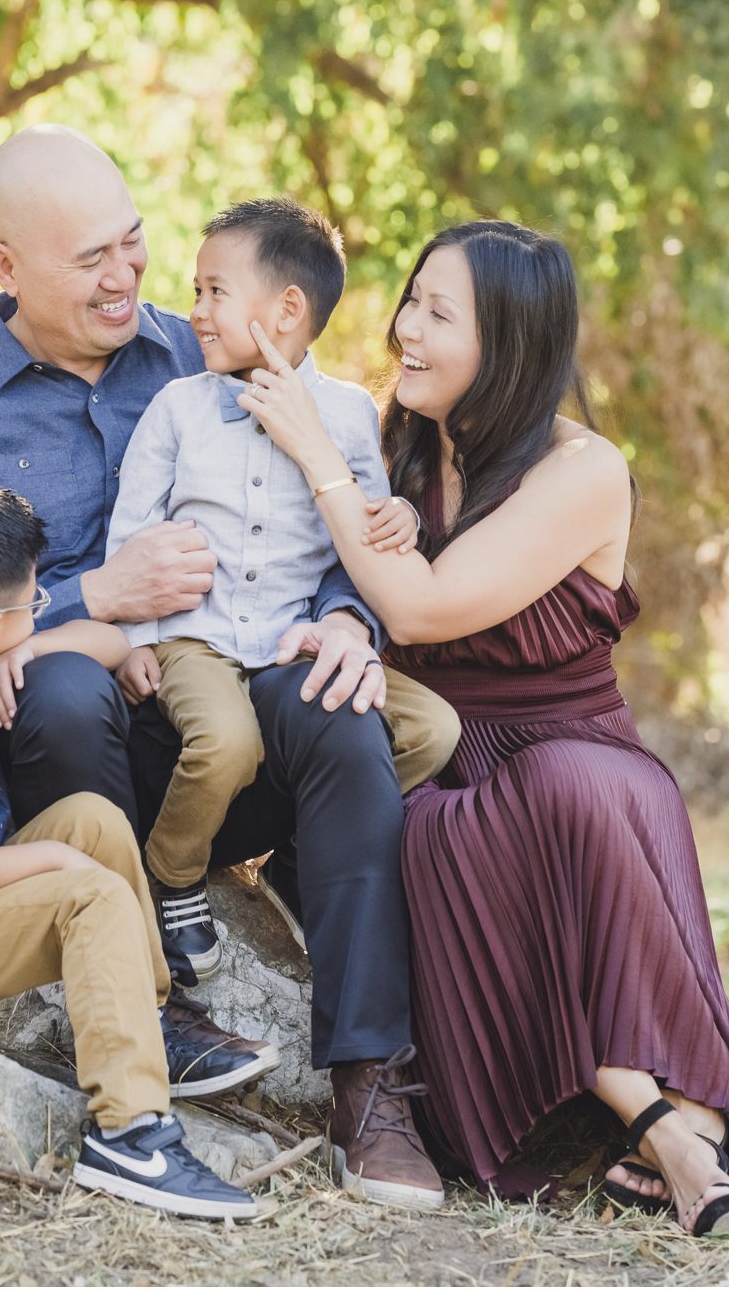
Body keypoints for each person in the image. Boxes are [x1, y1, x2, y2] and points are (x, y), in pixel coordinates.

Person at [0, 125, 444, 1209]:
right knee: (62, 678)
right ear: (5, 267)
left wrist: (349, 617)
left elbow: (325, 521)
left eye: (133, 243)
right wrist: (96, 598)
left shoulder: (203, 352)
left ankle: (369, 1084)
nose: (126, 274)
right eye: (90, 259)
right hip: (68, 773)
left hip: (221, 734)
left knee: (345, 709)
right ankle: (148, 999)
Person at [237, 219, 729, 1235]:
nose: (402, 329)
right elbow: (342, 586)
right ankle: (662, 1120)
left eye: (437, 311)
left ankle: (661, 1113)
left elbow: (423, 607)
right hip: (442, 770)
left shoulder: (583, 468)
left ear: (507, 342)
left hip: (575, 763)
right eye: (409, 300)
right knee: (410, 833)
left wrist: (316, 460)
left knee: (563, 786)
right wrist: (342, 607)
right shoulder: (397, 446)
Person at [0, 489, 261, 1220]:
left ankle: (142, 1023)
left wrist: (31, 645)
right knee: (81, 882)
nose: (42, 606)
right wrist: (51, 865)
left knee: (89, 820)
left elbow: (115, 644)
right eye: (34, 603)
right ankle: (132, 1136)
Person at [99, 197, 459, 983]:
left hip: (293, 639)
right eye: (195, 291)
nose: (193, 311)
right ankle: (171, 877)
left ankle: (298, 854)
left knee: (432, 728)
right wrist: (128, 644)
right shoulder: (179, 408)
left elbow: (362, 517)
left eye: (213, 292)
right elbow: (129, 534)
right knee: (227, 742)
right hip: (193, 635)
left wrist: (397, 511)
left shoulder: (347, 413)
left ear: (288, 308)